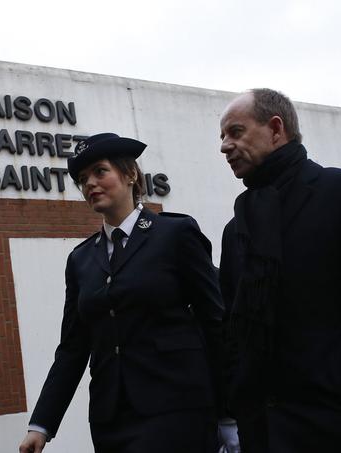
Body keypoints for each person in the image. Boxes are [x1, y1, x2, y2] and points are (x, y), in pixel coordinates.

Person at [217, 88, 341, 453]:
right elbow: (232, 323)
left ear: (276, 129)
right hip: (265, 430)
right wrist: (240, 395)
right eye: (222, 137)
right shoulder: (236, 228)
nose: (225, 146)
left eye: (236, 132)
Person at [19, 133, 224, 453]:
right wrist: (41, 425)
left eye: (100, 171)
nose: (90, 183)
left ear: (130, 175)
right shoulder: (81, 259)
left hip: (178, 410)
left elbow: (216, 325)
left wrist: (230, 415)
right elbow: (73, 348)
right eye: (83, 179)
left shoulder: (175, 235)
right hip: (111, 420)